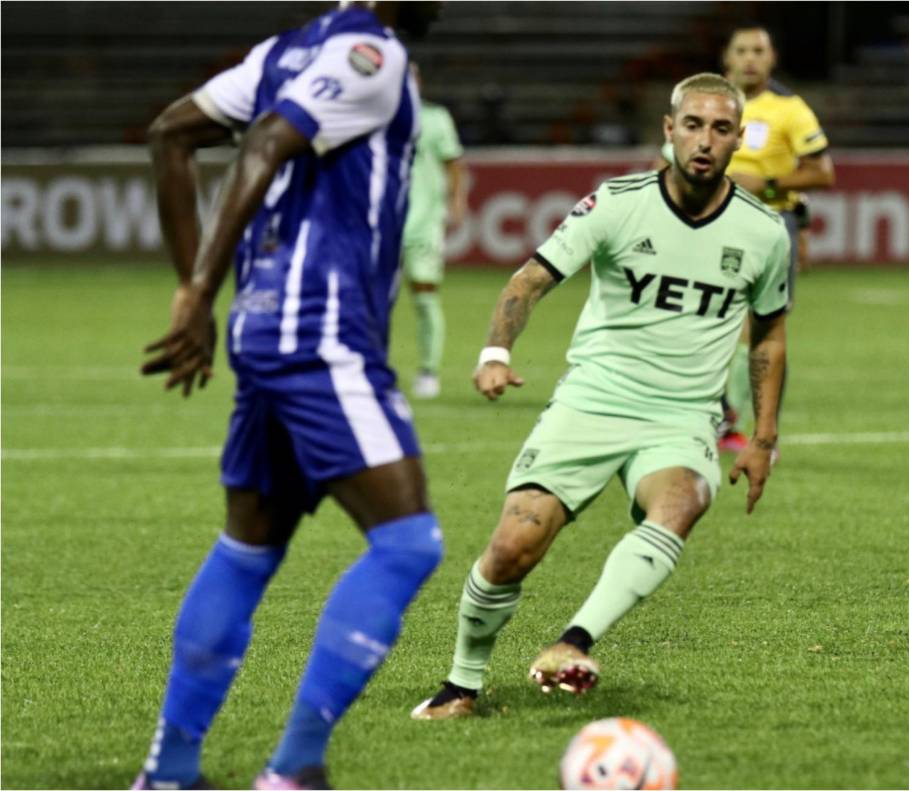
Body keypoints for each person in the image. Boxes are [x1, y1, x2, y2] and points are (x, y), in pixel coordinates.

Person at [411, 72, 789, 720]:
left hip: (682, 415)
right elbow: (529, 280)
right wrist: (495, 354)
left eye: (721, 128)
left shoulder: (764, 233)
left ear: (739, 139)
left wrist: (763, 437)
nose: (705, 140)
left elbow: (770, 336)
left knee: (681, 502)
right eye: (692, 125)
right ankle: (461, 684)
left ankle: (574, 641)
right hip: (593, 399)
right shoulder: (616, 203)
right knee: (512, 546)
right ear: (669, 130)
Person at [133, 3, 441, 788]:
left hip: (266, 325)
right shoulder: (373, 53)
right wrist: (197, 291)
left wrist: (196, 285)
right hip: (320, 332)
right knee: (407, 543)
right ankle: (294, 768)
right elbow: (268, 141)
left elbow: (171, 133)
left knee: (249, 546)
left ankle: (169, 772)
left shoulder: (280, 52)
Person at [718, 25, 834, 452]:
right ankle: (720, 421)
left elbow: (822, 173)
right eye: (741, 50)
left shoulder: (790, 109)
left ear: (772, 59)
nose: (750, 59)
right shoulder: (709, 102)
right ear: (727, 57)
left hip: (769, 224)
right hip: (712, 223)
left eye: (758, 51)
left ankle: (758, 430)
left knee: (764, 327)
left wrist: (765, 185)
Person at [402, 63, 469, 399]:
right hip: (381, 225)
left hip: (424, 222)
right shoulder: (375, 118)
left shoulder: (435, 118)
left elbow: (453, 163)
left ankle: (429, 371)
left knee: (425, 295)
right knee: (370, 300)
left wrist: (457, 201)